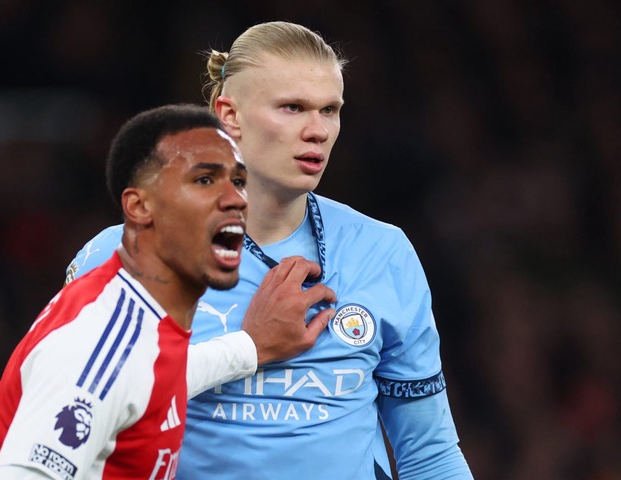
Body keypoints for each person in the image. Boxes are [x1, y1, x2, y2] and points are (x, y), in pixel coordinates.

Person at [65, 21, 473, 479]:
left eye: (330, 110)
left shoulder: (382, 252)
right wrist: (245, 348)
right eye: (293, 108)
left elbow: (429, 453)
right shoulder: (122, 258)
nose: (317, 130)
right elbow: (69, 427)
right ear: (229, 115)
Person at [0, 103, 255, 479]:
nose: (236, 198)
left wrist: (250, 348)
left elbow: (145, 379)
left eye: (238, 181)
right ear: (139, 207)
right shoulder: (99, 342)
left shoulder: (137, 319)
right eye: (204, 180)